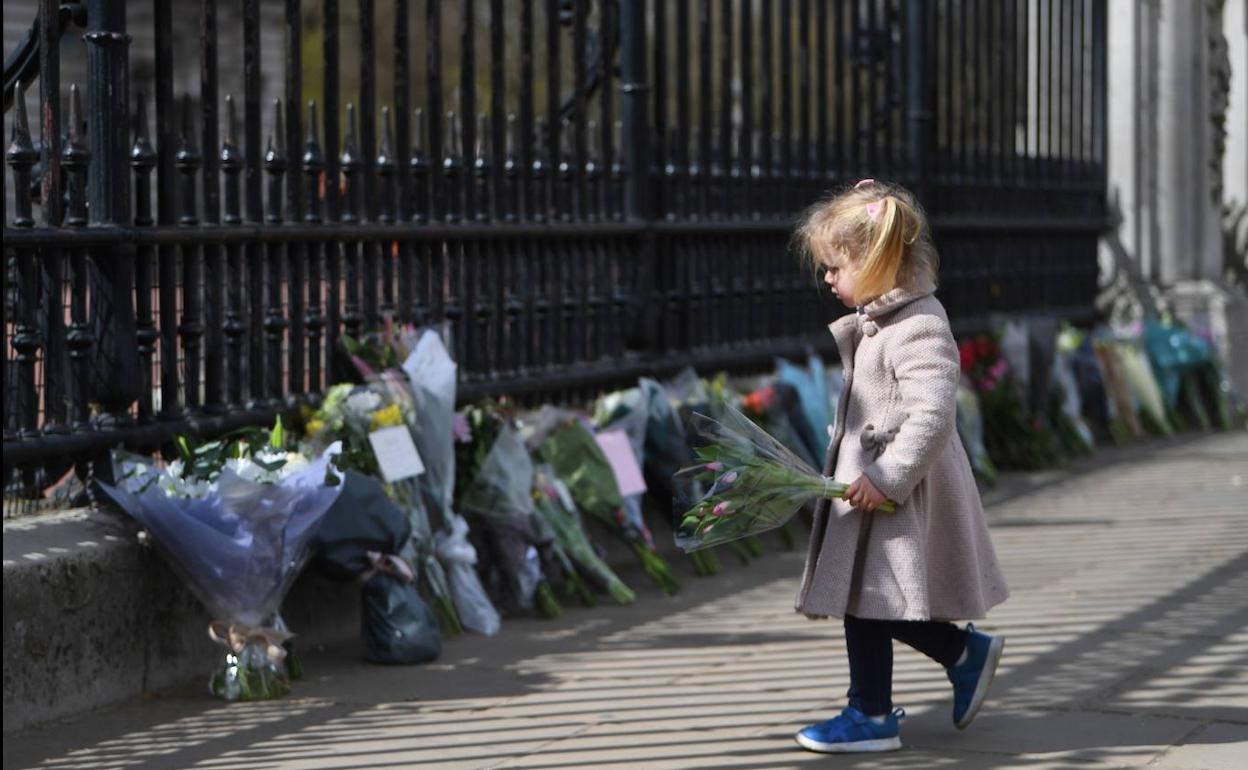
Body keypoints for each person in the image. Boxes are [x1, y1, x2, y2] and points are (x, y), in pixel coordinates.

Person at [789, 179, 1010, 753]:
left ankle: (872, 713)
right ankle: (959, 656)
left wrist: (886, 477)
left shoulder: (918, 325)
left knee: (871, 599)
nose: (829, 280)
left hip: (898, 494)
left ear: (878, 259)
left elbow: (933, 415)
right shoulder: (883, 320)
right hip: (873, 491)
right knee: (870, 599)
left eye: (835, 267)